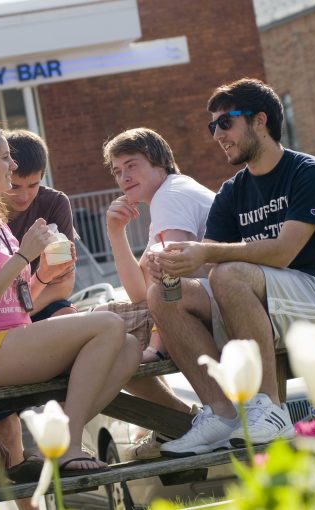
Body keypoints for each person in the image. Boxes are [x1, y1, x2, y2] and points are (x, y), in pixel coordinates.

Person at [0, 118, 142, 477]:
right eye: (5, 158)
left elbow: (18, 303)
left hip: (13, 340)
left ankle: (58, 439)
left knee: (130, 347)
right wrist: (23, 257)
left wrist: (42, 275)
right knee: (108, 324)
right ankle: (69, 445)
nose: (12, 166)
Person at [150, 78, 315, 457]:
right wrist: (175, 263)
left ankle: (270, 408)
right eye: (212, 126)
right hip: (254, 300)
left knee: (228, 272)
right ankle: (221, 414)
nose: (217, 135)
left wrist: (208, 256)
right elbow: (209, 260)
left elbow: (284, 252)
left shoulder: (309, 172)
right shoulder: (231, 191)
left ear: (260, 121)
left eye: (226, 123)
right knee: (165, 294)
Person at [99, 127, 214, 458]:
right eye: (117, 171)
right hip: (196, 301)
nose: (123, 177)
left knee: (103, 340)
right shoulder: (169, 197)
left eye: (131, 165)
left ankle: (182, 422)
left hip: (208, 306)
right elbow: (141, 293)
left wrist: (155, 343)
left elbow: (170, 277)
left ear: (160, 162)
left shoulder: (171, 196)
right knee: (103, 333)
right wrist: (116, 234)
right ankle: (180, 422)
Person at [3, 129, 78, 321]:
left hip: (38, 305)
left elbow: (64, 284)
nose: (24, 196)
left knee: (67, 317)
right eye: (15, 186)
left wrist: (19, 313)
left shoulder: (54, 203)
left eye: (33, 185)